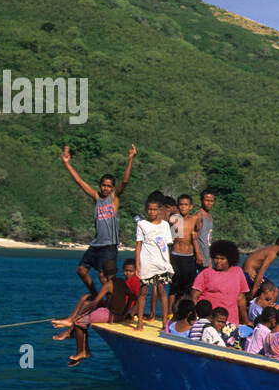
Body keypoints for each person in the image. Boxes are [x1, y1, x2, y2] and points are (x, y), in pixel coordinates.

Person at [62, 142, 135, 295]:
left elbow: (125, 182)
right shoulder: (96, 197)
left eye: (109, 186)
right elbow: (79, 182)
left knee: (106, 277)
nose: (105, 188)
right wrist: (67, 163)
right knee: (81, 270)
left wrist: (130, 159)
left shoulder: (114, 198)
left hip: (109, 245)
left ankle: (112, 303)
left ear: (112, 188)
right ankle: (96, 296)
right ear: (100, 185)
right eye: (103, 185)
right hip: (96, 244)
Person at [51, 258, 119, 366]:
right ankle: (70, 323)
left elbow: (98, 302)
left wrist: (78, 316)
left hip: (111, 310)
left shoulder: (110, 283)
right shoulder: (109, 282)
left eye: (103, 274)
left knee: (84, 311)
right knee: (85, 297)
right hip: (108, 306)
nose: (101, 276)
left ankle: (72, 328)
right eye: (100, 273)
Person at [134, 192, 173, 332]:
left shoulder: (165, 225)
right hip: (146, 262)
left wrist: (168, 264)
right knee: (143, 291)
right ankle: (139, 323)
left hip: (160, 263)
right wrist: (137, 265)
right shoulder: (142, 224)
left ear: (159, 210)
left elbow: (167, 247)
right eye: (149, 209)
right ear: (146, 209)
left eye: (154, 209)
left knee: (162, 290)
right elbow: (138, 246)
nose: (152, 212)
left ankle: (164, 323)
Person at [191, 240, 250, 326]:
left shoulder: (238, 272)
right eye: (216, 258)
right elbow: (194, 297)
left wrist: (246, 321)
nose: (218, 261)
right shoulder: (206, 273)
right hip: (208, 322)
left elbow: (241, 299)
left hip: (230, 323)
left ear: (230, 259)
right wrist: (197, 319)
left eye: (222, 259)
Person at [167, 194, 201, 310]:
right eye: (181, 204)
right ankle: (170, 313)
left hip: (189, 256)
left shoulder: (194, 219)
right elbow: (171, 238)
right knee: (174, 287)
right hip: (176, 255)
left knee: (189, 287)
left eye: (186, 205)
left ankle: (187, 312)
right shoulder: (174, 219)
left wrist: (198, 254)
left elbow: (197, 236)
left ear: (190, 207)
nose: (183, 207)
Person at [192, 190, 215, 271]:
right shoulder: (198, 215)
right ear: (201, 200)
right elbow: (194, 237)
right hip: (200, 255)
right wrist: (198, 254)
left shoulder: (209, 216)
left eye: (211, 201)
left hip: (206, 253)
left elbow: (208, 238)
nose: (209, 203)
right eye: (207, 200)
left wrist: (209, 258)